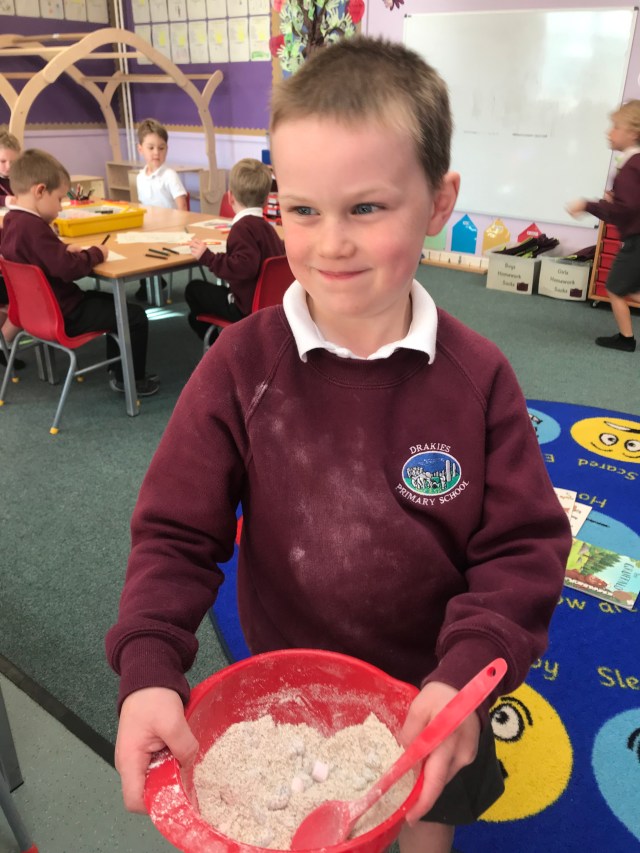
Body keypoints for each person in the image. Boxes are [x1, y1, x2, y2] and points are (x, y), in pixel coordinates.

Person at [106, 37, 571, 853]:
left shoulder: (480, 378)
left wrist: (467, 668)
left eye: (366, 208)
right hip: (292, 694)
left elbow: (522, 549)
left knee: (431, 812)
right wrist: (148, 666)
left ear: (438, 202)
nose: (330, 244)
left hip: (435, 687)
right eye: (304, 210)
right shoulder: (240, 367)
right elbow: (176, 533)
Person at [0, 149, 159, 396]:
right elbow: (69, 269)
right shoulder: (33, 227)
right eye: (59, 199)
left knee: (114, 304)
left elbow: (38, 254)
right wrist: (96, 253)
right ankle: (130, 380)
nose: (60, 207)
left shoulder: (13, 221)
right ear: (40, 191)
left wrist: (62, 249)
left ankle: (118, 370)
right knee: (133, 315)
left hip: (37, 313)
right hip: (65, 314)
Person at [567, 99, 640, 352]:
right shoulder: (634, 163)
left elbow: (624, 210)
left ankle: (626, 339)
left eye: (616, 127)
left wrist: (587, 205)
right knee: (631, 288)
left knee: (615, 288)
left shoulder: (631, 166)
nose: (609, 132)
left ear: (633, 133)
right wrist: (614, 199)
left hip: (636, 239)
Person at [184, 157, 285, 340]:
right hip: (270, 305)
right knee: (195, 313)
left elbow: (244, 267)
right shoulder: (268, 229)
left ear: (230, 197)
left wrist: (208, 257)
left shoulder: (242, 229)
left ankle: (220, 344)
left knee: (193, 289)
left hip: (245, 308)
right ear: (266, 201)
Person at [135, 118, 188, 301]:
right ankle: (148, 283)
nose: (156, 152)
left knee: (149, 247)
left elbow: (182, 205)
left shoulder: (169, 175)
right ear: (140, 149)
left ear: (167, 149)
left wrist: (181, 229)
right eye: (151, 148)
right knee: (135, 246)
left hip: (170, 229)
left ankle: (154, 284)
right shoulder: (140, 177)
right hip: (150, 228)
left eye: (161, 148)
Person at [0, 131, 24, 368]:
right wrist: (5, 201)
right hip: (4, 258)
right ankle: (3, 347)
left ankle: (3, 346)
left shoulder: (19, 179)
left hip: (13, 252)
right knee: (21, 301)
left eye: (13, 162)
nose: (8, 167)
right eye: (2, 161)